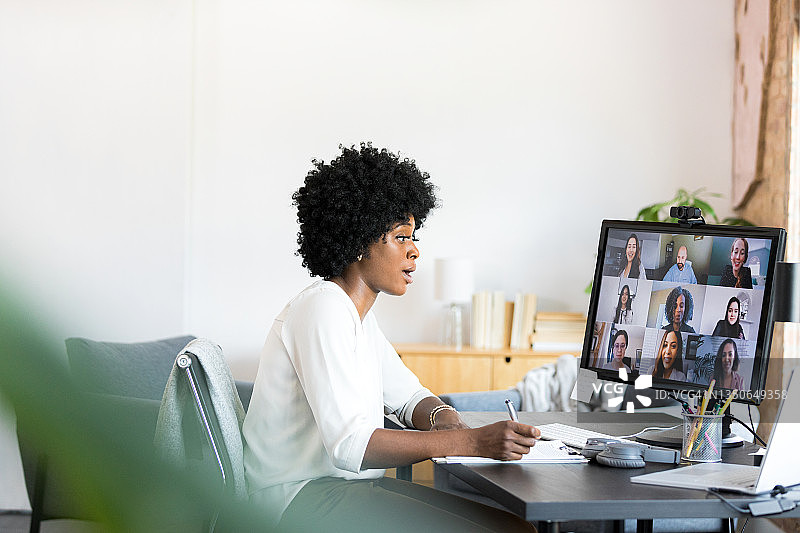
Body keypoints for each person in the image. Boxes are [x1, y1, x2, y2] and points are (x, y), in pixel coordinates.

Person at [242, 144, 537, 533]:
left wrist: (443, 418)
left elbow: (410, 397)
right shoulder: (323, 310)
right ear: (361, 241)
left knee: (516, 527)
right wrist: (469, 442)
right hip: (297, 501)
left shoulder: (359, 317)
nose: (415, 250)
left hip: (344, 491)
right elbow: (351, 445)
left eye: (413, 237)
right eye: (401, 238)